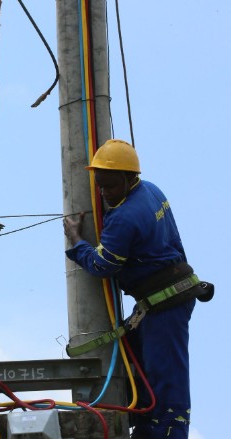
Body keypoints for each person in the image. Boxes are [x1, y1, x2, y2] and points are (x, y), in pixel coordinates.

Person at [63, 139, 212, 438]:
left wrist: (78, 242)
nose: (104, 193)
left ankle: (167, 432)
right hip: (167, 296)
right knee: (132, 359)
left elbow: (102, 265)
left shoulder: (125, 217)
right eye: (100, 185)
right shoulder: (152, 190)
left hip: (165, 304)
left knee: (167, 381)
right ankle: (143, 425)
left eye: (111, 186)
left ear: (131, 179)